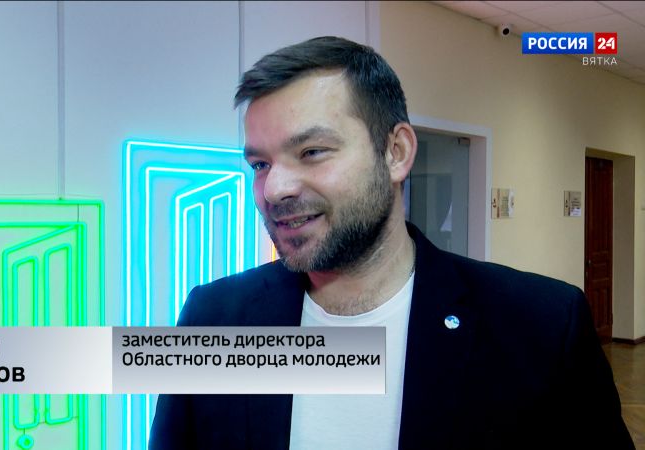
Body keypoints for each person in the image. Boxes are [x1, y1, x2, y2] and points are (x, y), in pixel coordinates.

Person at [149, 36, 633, 450]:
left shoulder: (540, 327)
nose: (274, 189)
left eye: (312, 152)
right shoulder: (216, 316)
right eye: (260, 164)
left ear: (396, 152)